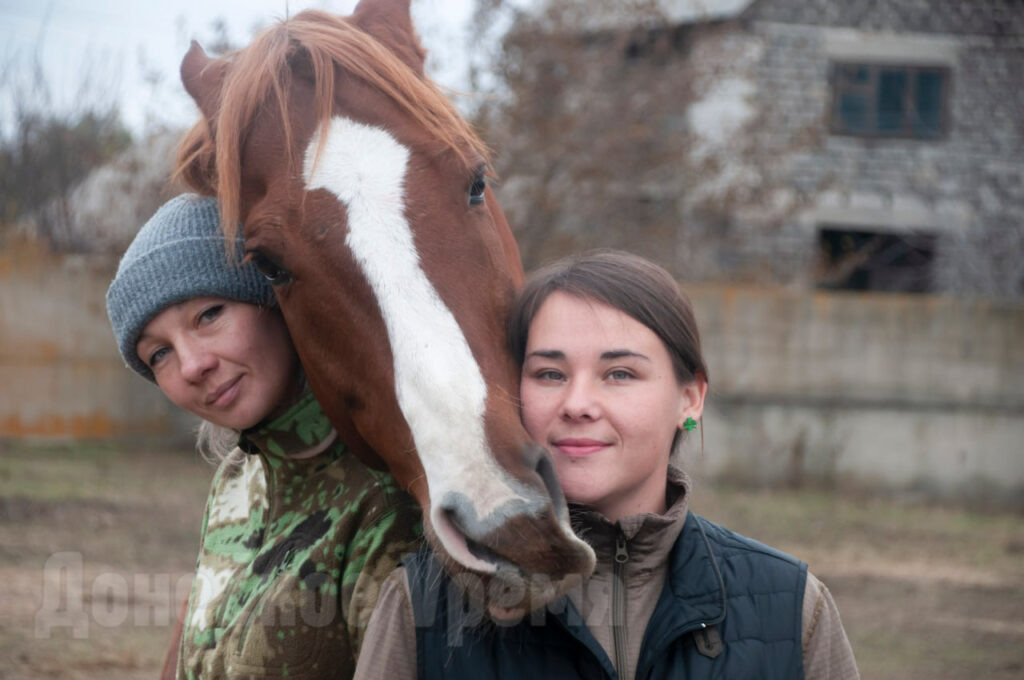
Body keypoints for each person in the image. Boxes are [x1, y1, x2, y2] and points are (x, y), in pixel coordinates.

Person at [354, 250, 859, 680]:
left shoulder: (790, 607)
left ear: (690, 398)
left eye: (618, 373)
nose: (577, 403)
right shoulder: (423, 605)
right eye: (549, 374)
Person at [105, 194, 422, 678]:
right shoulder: (237, 476)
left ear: (276, 300)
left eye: (209, 314)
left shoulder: (386, 495)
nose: (192, 365)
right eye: (159, 354)